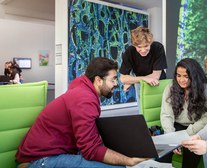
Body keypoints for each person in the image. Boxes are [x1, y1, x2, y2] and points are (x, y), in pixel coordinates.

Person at [16, 57, 147, 168]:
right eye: (113, 79)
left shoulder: (83, 90)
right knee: (118, 166)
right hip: (41, 159)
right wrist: (129, 161)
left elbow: (89, 137)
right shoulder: (84, 99)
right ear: (98, 80)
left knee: (115, 156)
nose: (116, 84)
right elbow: (91, 150)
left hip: (58, 150)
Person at [159, 58, 207, 167]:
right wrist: (171, 138)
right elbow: (166, 115)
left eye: (186, 76)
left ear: (194, 76)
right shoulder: (170, 88)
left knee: (193, 151)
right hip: (176, 126)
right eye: (178, 76)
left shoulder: (205, 89)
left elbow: (206, 118)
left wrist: (184, 136)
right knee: (163, 154)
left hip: (197, 128)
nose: (181, 80)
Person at [119, 26, 167, 105]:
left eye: (146, 46)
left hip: (158, 82)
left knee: (160, 109)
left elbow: (155, 76)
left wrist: (131, 81)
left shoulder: (158, 47)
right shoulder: (130, 52)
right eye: (139, 47)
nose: (143, 50)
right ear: (134, 45)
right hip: (140, 84)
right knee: (142, 110)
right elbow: (123, 79)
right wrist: (143, 79)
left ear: (150, 43)